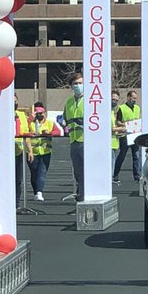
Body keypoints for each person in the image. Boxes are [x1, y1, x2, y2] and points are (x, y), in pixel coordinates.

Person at [63, 72, 85, 202]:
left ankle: (84, 198)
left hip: (86, 141)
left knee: (86, 172)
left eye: (80, 83)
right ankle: (81, 195)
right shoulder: (69, 102)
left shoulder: (90, 100)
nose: (78, 86)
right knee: (78, 173)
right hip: (74, 141)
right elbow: (65, 118)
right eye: (75, 84)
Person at [113, 88, 142, 184]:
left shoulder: (137, 108)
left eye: (135, 98)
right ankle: (115, 173)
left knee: (136, 155)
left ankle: (137, 176)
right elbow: (118, 121)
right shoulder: (122, 108)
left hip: (135, 134)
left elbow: (138, 119)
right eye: (133, 98)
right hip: (125, 134)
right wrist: (127, 125)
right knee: (122, 154)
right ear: (128, 97)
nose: (134, 100)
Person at [28, 101, 54, 202]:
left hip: (45, 151)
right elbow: (25, 132)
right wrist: (31, 118)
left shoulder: (50, 123)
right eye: (37, 113)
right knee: (34, 173)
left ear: (45, 113)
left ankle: (39, 192)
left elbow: (58, 131)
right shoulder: (30, 123)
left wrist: (49, 132)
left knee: (42, 172)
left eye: (41, 113)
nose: (39, 115)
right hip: (32, 151)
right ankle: (36, 191)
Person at [14, 94, 31, 209]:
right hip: (4, 153)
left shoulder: (21, 116)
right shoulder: (2, 114)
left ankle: (16, 203)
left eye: (16, 101)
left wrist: (30, 150)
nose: (14, 104)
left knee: (18, 179)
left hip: (18, 151)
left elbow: (26, 134)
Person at [110, 89, 125, 182]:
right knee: (111, 163)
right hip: (108, 142)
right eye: (113, 99)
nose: (114, 101)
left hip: (114, 141)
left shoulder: (113, 111)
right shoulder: (106, 111)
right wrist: (121, 129)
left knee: (113, 161)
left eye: (116, 100)